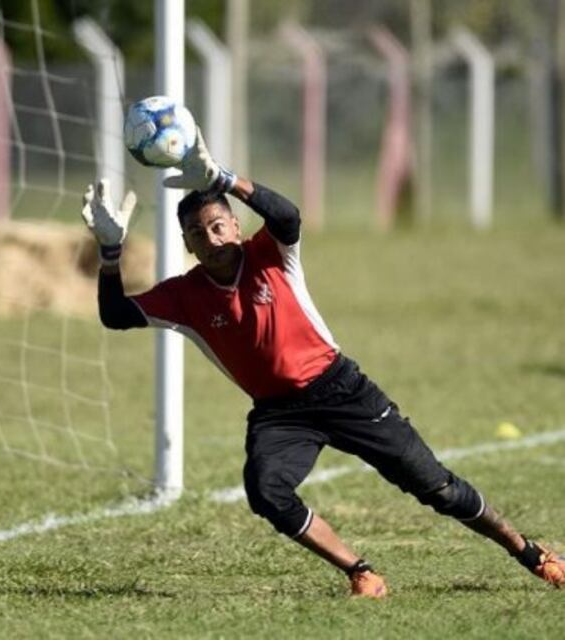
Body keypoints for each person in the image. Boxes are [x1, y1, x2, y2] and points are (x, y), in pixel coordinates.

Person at [79, 129, 565, 598]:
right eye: (196, 234)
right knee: (266, 493)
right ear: (187, 246)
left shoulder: (270, 253)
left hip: (342, 390)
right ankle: (361, 572)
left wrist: (226, 179)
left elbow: (287, 216)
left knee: (438, 489)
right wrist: (109, 251)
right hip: (279, 413)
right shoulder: (183, 295)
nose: (210, 238)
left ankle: (529, 553)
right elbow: (115, 315)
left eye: (217, 225)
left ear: (235, 227)